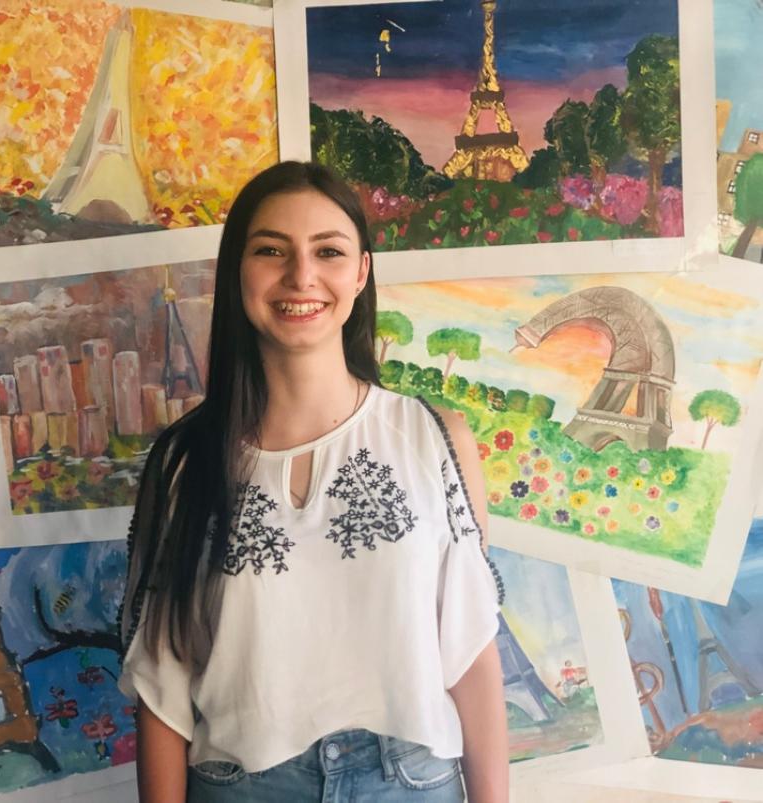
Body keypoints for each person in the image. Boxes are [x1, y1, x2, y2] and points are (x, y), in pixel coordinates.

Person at [117, 161, 508, 802]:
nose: (301, 276)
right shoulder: (184, 462)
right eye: (272, 250)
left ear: (361, 272)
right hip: (240, 787)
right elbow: (163, 683)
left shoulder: (435, 438)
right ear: (237, 271)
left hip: (410, 783)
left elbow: (471, 652)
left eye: (328, 251)